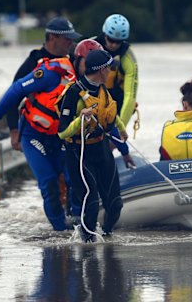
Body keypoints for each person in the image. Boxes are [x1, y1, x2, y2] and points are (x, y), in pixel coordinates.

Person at [0, 53, 77, 231]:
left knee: (73, 180)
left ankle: (78, 226)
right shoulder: (51, 73)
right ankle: (60, 231)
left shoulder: (89, 82)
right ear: (77, 61)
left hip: (60, 137)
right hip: (34, 135)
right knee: (49, 183)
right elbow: (16, 89)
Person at [57, 49, 126, 242]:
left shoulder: (103, 89)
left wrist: (121, 129)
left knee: (115, 204)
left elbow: (110, 112)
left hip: (102, 150)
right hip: (80, 154)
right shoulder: (72, 93)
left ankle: (106, 238)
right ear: (101, 70)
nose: (111, 72)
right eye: (109, 68)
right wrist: (81, 119)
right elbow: (62, 132)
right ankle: (87, 245)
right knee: (92, 203)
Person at [7, 16, 81, 151]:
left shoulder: (74, 59)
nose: (71, 42)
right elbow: (12, 97)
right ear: (52, 38)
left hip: (65, 133)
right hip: (38, 131)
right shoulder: (33, 63)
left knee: (66, 172)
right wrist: (14, 131)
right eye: (67, 39)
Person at [72, 39, 135, 169]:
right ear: (78, 61)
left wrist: (125, 151)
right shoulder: (69, 84)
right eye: (89, 63)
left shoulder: (98, 89)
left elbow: (109, 120)